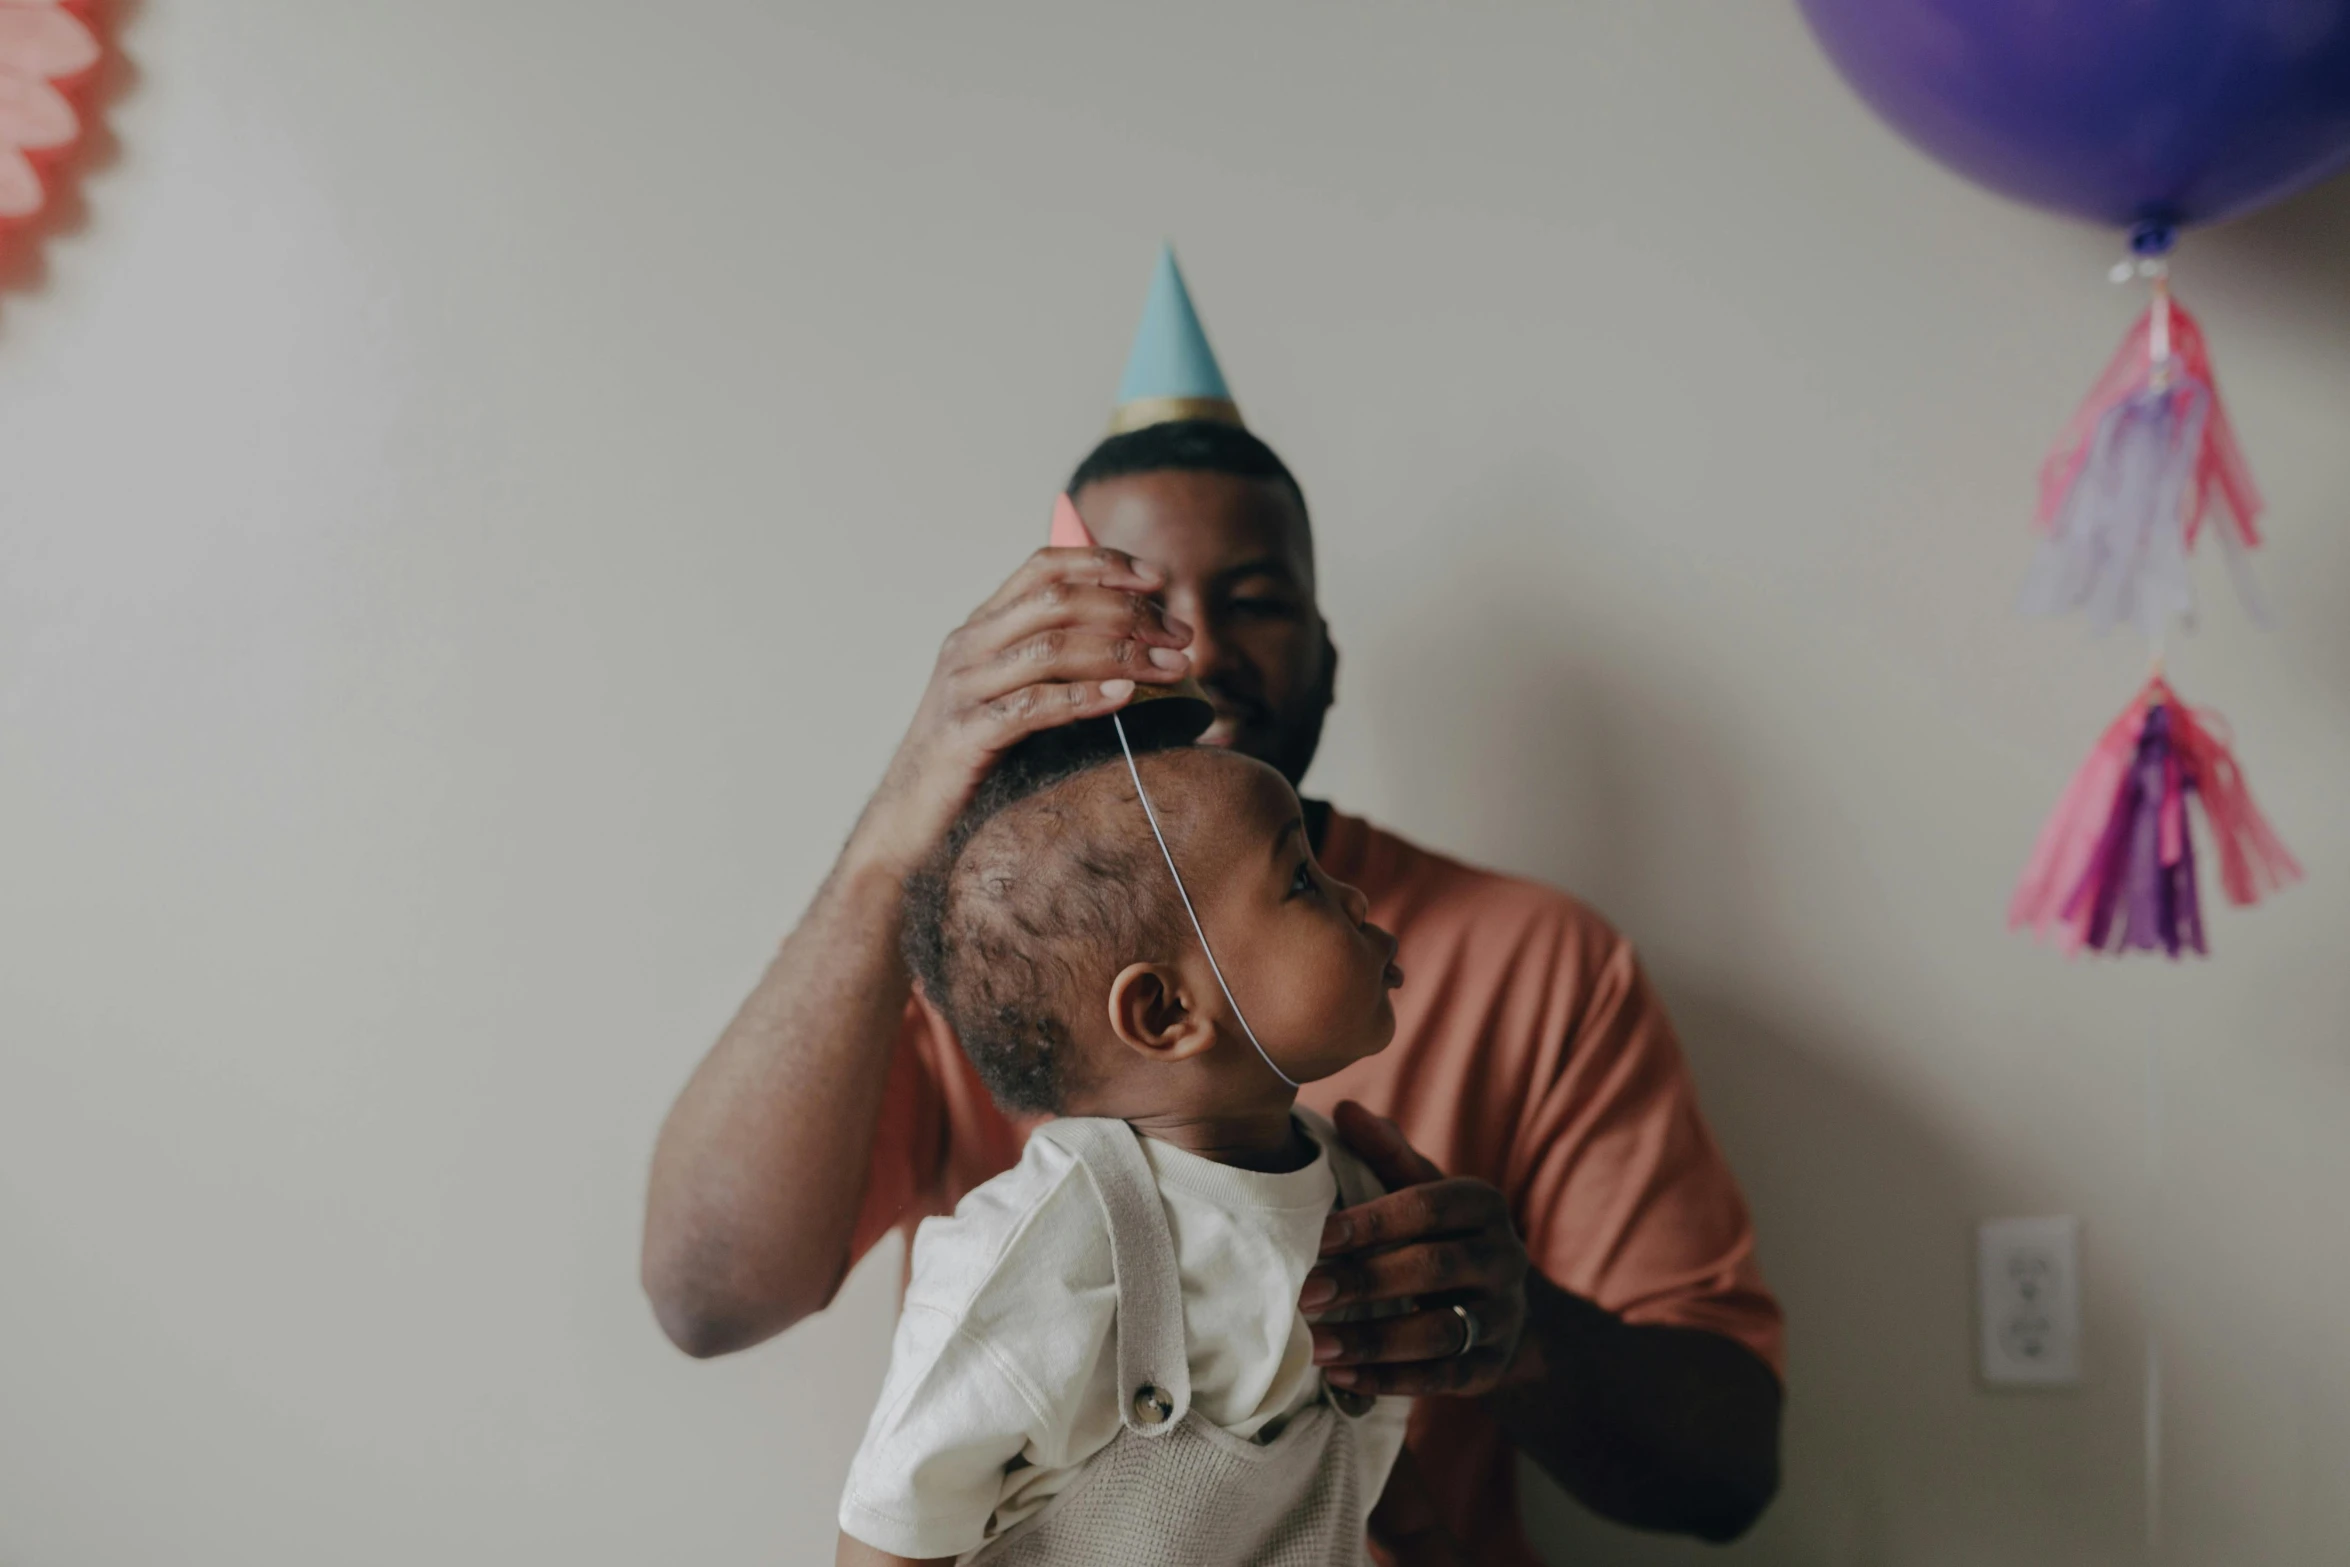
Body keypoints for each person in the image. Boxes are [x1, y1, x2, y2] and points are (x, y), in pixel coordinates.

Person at [644, 247, 1784, 1561]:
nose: (1187, 646)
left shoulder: (1541, 961)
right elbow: (705, 1295)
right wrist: (898, 824)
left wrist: (1514, 1332)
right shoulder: (986, 961)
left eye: (1252, 599)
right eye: (1130, 599)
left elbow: (1728, 1470)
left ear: (1327, 654)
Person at [836, 721, 1419, 1562]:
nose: (1356, 898)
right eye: (1301, 878)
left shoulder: (1359, 1193)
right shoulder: (1045, 1249)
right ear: (1166, 1013)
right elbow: (893, 1528)